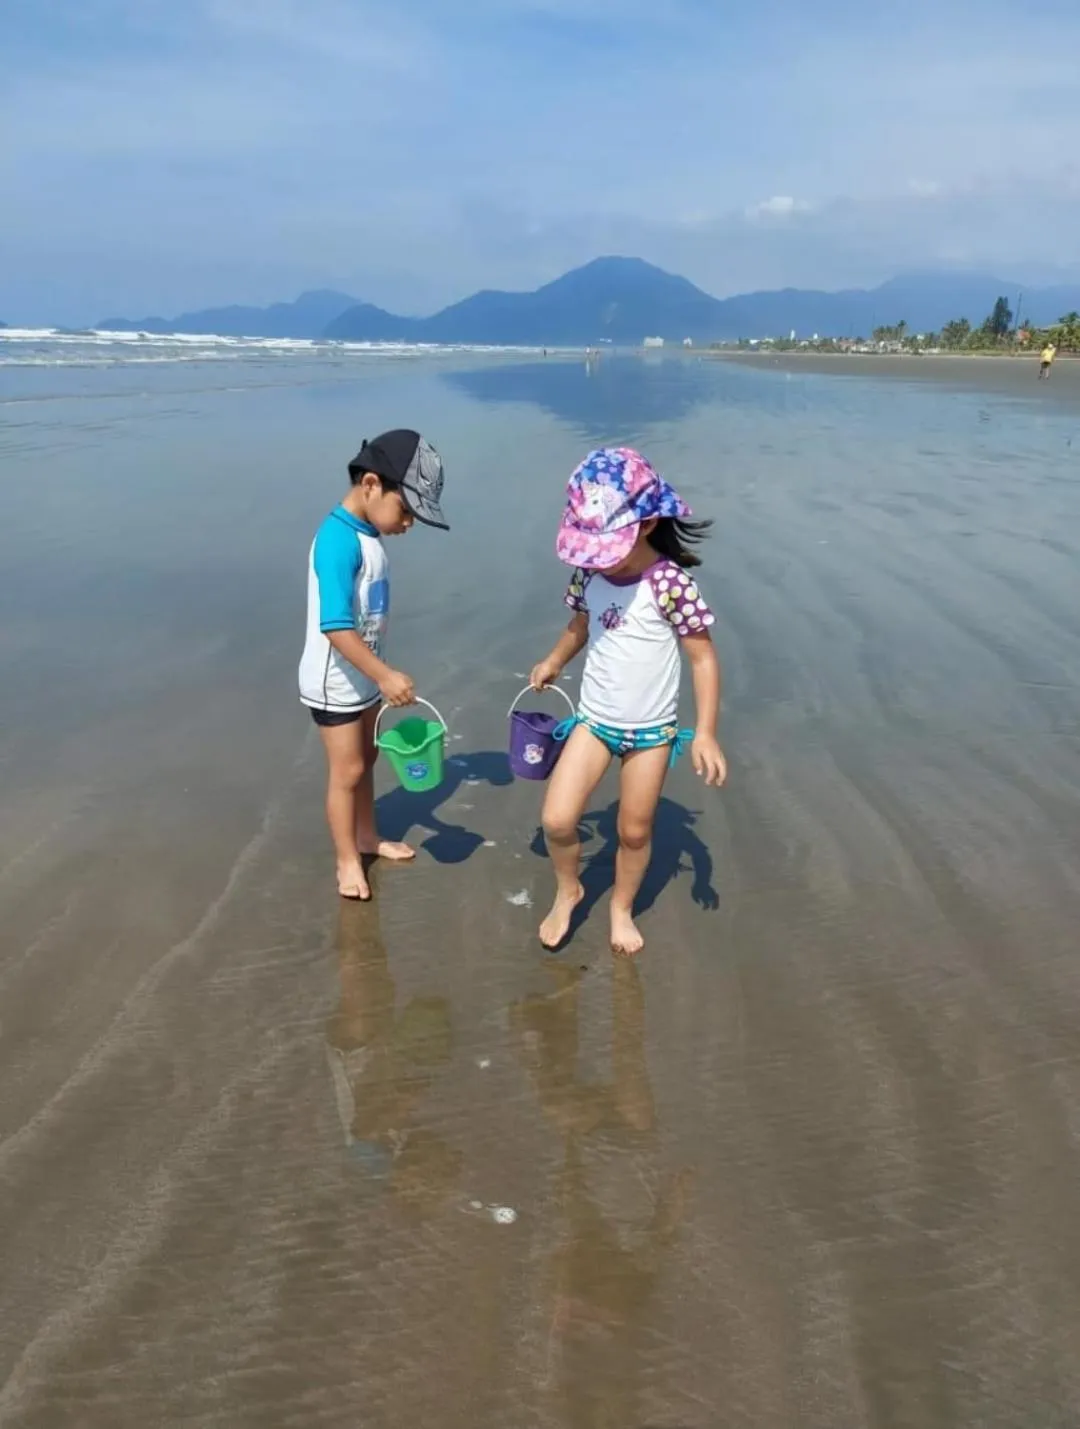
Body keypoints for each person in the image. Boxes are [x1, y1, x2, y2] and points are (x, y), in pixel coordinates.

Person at [529, 447, 726, 955]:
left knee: (634, 833)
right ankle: (569, 887)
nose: (597, 557)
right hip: (593, 722)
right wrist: (554, 661)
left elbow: (702, 658)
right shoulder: (588, 575)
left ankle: (620, 907)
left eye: (604, 544)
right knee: (557, 819)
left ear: (645, 525)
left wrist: (704, 732)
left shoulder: (670, 584)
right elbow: (579, 627)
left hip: (652, 734)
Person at [299, 429, 449, 900]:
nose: (409, 523)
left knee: (368, 760)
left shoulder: (368, 535)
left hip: (363, 678)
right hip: (335, 682)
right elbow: (336, 627)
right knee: (346, 772)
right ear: (370, 485)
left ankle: (367, 836)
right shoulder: (336, 541)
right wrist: (384, 674)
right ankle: (347, 859)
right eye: (406, 510)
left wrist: (378, 676)